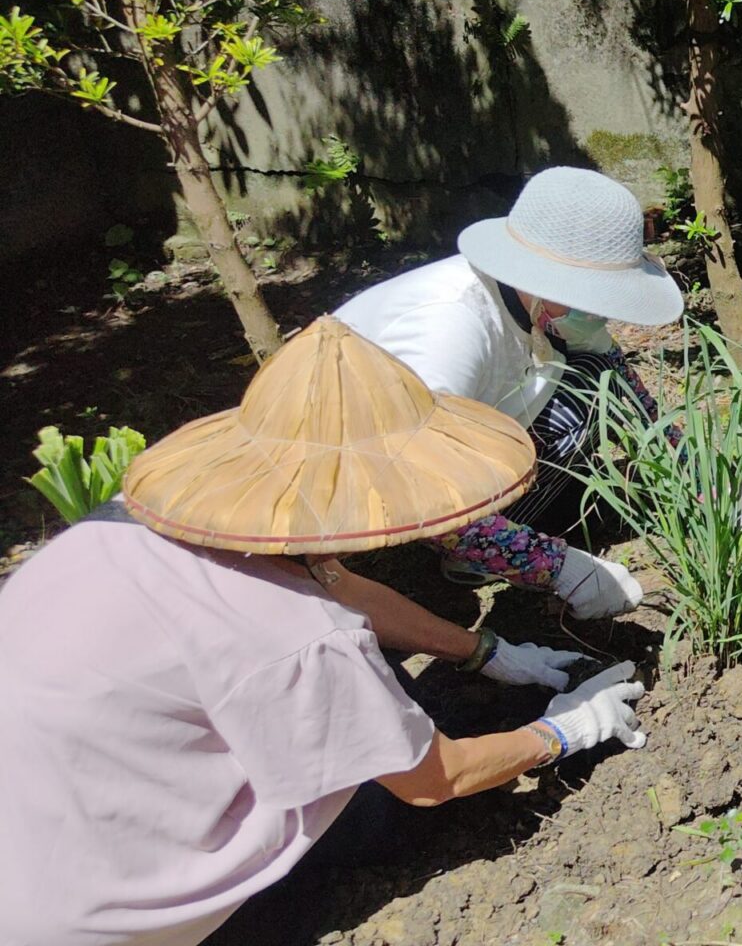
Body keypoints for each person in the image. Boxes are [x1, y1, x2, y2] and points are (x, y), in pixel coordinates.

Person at [0, 317, 650, 946]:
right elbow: (435, 780)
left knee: (372, 687)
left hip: (43, 814)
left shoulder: (138, 522)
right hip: (97, 913)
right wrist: (560, 733)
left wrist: (485, 651)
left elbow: (337, 588)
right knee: (372, 804)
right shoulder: (294, 633)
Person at [334, 165, 685, 618]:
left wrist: (703, 484)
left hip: (457, 438)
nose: (602, 312)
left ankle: (503, 528)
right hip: (372, 479)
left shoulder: (544, 304)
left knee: (595, 379)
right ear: (545, 278)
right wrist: (555, 566)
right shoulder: (450, 325)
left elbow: (619, 381)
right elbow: (419, 481)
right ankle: (479, 547)